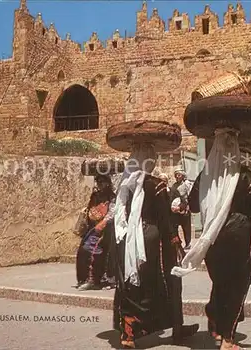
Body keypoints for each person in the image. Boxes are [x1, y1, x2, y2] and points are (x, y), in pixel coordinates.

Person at [172, 128, 251, 350]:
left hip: (212, 237)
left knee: (221, 283)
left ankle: (215, 319)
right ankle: (228, 338)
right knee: (237, 286)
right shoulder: (245, 176)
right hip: (239, 236)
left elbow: (193, 205)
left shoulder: (205, 175)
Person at [110, 124, 198, 348]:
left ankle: (128, 332)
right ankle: (177, 328)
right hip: (153, 239)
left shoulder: (125, 184)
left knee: (134, 283)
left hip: (129, 239)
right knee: (170, 281)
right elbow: (165, 219)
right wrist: (175, 241)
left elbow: (121, 214)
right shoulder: (156, 185)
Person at [76, 175, 116, 291]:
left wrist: (103, 223)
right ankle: (84, 279)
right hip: (92, 228)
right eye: (98, 182)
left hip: (105, 229)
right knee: (83, 251)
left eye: (102, 182)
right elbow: (90, 207)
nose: (100, 184)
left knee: (93, 251)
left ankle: (93, 280)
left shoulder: (112, 197)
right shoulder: (95, 196)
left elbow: (112, 212)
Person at [170, 170, 193, 249]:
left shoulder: (187, 184)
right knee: (174, 226)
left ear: (182, 176)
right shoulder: (174, 186)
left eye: (179, 175)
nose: (177, 176)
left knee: (186, 227)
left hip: (185, 208)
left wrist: (187, 206)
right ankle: (178, 242)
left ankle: (188, 243)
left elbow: (190, 197)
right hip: (176, 209)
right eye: (176, 175)